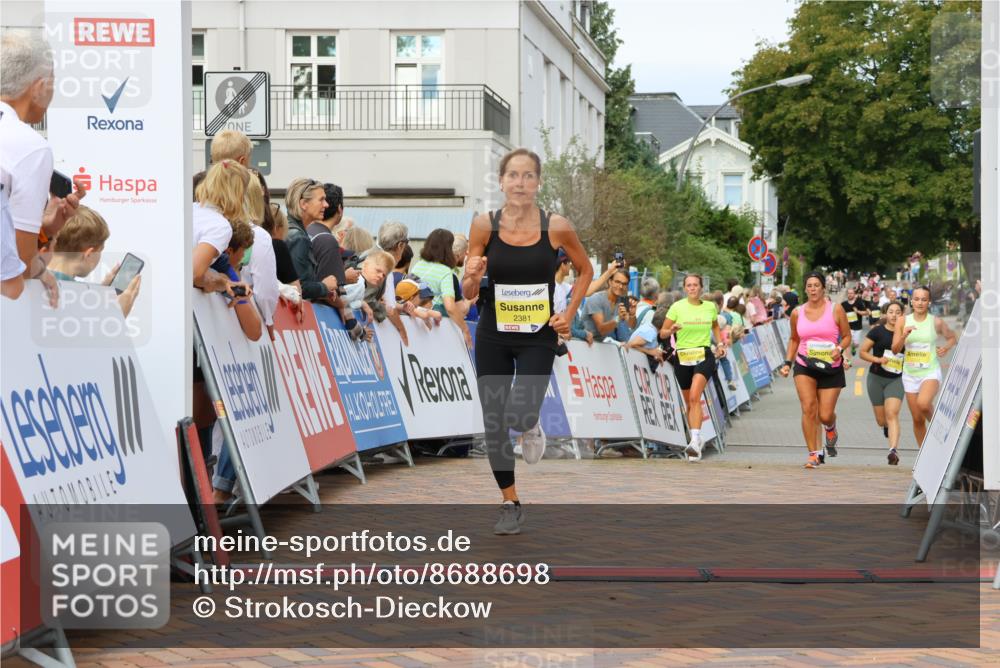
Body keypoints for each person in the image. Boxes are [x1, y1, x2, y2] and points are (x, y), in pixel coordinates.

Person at [461, 148, 592, 535]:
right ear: (500, 182)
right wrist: (472, 273)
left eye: (528, 176)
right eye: (513, 175)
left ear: (538, 182)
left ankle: (530, 423)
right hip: (492, 331)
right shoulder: (484, 225)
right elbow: (468, 289)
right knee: (494, 419)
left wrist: (568, 316)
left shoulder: (557, 226)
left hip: (538, 335)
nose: (520, 183)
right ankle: (510, 502)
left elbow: (585, 271)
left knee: (518, 414)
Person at [1, 29, 84, 305]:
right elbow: (21, 263)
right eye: (53, 82)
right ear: (38, 87)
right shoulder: (29, 146)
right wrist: (40, 269)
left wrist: (44, 229)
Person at [779, 272, 852, 469]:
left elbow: (846, 337)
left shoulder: (836, 310)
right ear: (805, 289)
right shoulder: (797, 313)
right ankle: (814, 453)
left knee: (825, 414)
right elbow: (794, 339)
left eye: (816, 285)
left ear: (823, 288)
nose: (813, 289)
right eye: (809, 286)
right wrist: (787, 362)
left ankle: (830, 427)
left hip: (831, 366)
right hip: (805, 364)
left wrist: (839, 349)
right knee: (809, 408)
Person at [659, 274, 725, 462]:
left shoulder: (710, 307)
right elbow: (662, 332)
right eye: (689, 285)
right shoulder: (677, 307)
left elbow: (715, 326)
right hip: (683, 356)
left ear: (701, 288)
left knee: (696, 396)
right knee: (689, 402)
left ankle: (694, 441)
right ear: (684, 288)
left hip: (704, 355)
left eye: (695, 285)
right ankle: (697, 437)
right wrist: (670, 331)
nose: (692, 288)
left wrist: (719, 344)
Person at [891, 286, 957, 446]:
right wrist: (904, 335)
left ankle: (941, 427)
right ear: (911, 301)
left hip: (930, 372)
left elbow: (952, 337)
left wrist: (945, 348)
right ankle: (924, 454)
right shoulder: (902, 321)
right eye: (917, 299)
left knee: (923, 404)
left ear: (929, 302)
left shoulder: (936, 322)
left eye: (924, 299)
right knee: (918, 419)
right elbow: (895, 349)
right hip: (910, 374)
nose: (920, 303)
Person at [47, 206, 141, 317]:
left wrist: (100, 292)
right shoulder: (70, 299)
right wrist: (119, 315)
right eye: (100, 251)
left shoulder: (31, 280)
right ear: (89, 254)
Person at [192, 160, 250, 297]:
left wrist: (224, 283)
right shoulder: (220, 226)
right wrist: (212, 283)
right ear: (238, 193)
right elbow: (195, 273)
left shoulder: (191, 209)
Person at [859, 301, 905, 465]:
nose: (894, 315)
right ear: (885, 314)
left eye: (898, 312)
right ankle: (886, 428)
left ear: (902, 315)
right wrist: (877, 359)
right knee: (881, 420)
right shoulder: (878, 331)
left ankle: (893, 450)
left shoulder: (907, 333)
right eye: (891, 311)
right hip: (876, 378)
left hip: (897, 379)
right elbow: (862, 352)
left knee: (892, 413)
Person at [410, 228, 473, 348]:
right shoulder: (446, 272)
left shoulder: (418, 265)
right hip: (438, 327)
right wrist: (465, 330)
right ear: (447, 250)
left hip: (415, 323)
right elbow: (450, 307)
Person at [582, 268, 634, 342]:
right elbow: (601, 330)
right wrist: (618, 318)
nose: (620, 286)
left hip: (605, 345)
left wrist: (632, 315)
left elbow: (631, 325)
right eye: (617, 282)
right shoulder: (596, 299)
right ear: (610, 282)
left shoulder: (623, 300)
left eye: (624, 284)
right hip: (585, 344)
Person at [841, 286, 869, 356]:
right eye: (848, 293)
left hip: (857, 327)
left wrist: (857, 311)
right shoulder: (843, 304)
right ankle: (847, 358)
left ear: (854, 294)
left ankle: (853, 347)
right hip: (848, 327)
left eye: (851, 293)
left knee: (856, 344)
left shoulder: (858, 303)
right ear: (847, 294)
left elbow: (866, 313)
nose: (850, 295)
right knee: (848, 343)